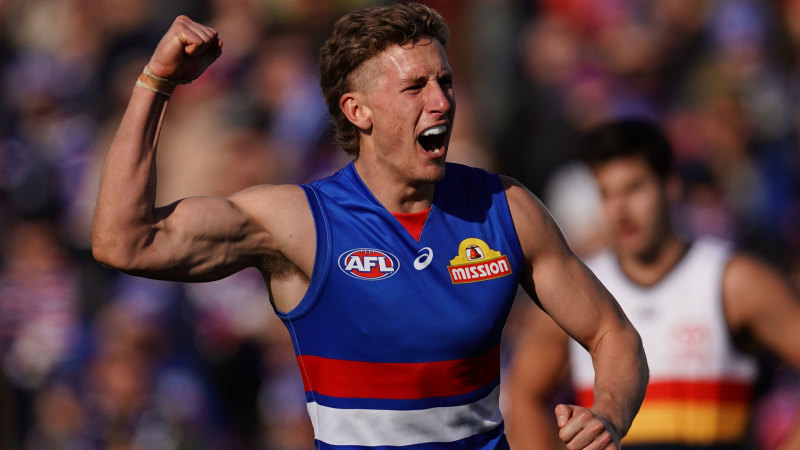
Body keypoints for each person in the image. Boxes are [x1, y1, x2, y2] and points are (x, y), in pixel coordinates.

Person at [91, 4, 648, 449]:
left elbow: (613, 333)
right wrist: (156, 81)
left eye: (446, 81)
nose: (442, 101)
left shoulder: (505, 207)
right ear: (358, 111)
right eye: (415, 88)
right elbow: (124, 242)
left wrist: (608, 415)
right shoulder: (301, 224)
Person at [507, 118, 800, 450]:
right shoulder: (575, 290)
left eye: (634, 188)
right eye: (606, 194)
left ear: (670, 186)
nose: (620, 210)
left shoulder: (732, 281)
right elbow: (525, 394)